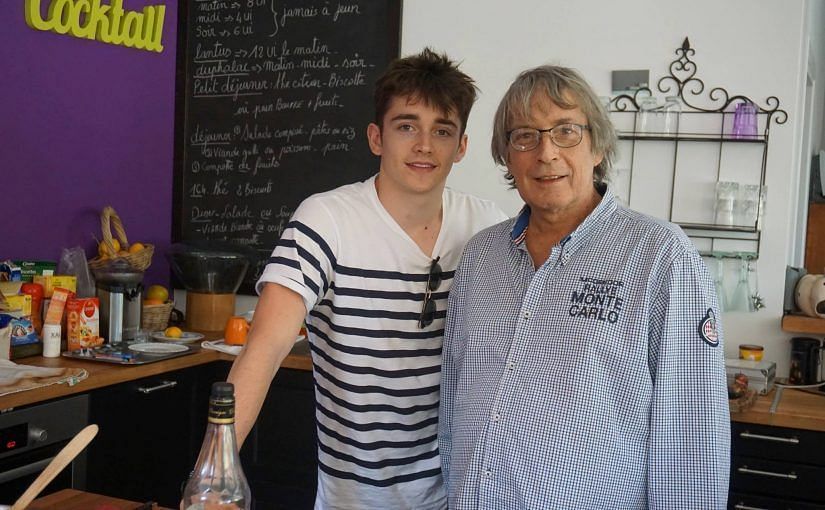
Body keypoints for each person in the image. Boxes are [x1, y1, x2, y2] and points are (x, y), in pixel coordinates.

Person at [227, 48, 508, 510]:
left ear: (461, 146)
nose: (424, 145)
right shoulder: (327, 220)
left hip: (461, 494)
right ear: (376, 138)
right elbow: (265, 348)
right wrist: (212, 471)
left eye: (442, 130)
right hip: (354, 499)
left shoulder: (488, 227)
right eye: (406, 126)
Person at [438, 65, 730, 509]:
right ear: (507, 157)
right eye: (525, 136)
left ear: (597, 146)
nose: (546, 153)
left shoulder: (659, 255)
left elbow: (691, 429)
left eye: (566, 131)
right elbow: (453, 394)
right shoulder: (481, 256)